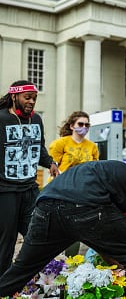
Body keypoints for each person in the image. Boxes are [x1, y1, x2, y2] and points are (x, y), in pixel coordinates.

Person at [0, 160, 126, 298]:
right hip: (85, 206)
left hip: (46, 206)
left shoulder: (119, 179)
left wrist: (117, 266)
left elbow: (103, 240)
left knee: (21, 271)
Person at [0, 80, 60, 276]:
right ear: (14, 96)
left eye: (34, 98)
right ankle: (3, 284)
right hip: (5, 191)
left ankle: (34, 277)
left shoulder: (36, 120)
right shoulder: (1, 118)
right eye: (27, 98)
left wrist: (50, 162)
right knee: (6, 241)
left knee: (39, 235)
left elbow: (39, 148)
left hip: (30, 189)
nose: (32, 102)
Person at [48, 111, 100, 256]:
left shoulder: (92, 147)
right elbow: (53, 167)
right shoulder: (60, 144)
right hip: (61, 189)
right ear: (72, 126)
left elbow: (94, 169)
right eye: (80, 124)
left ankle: (73, 259)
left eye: (87, 124)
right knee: (59, 225)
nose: (84, 127)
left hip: (83, 191)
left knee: (77, 224)